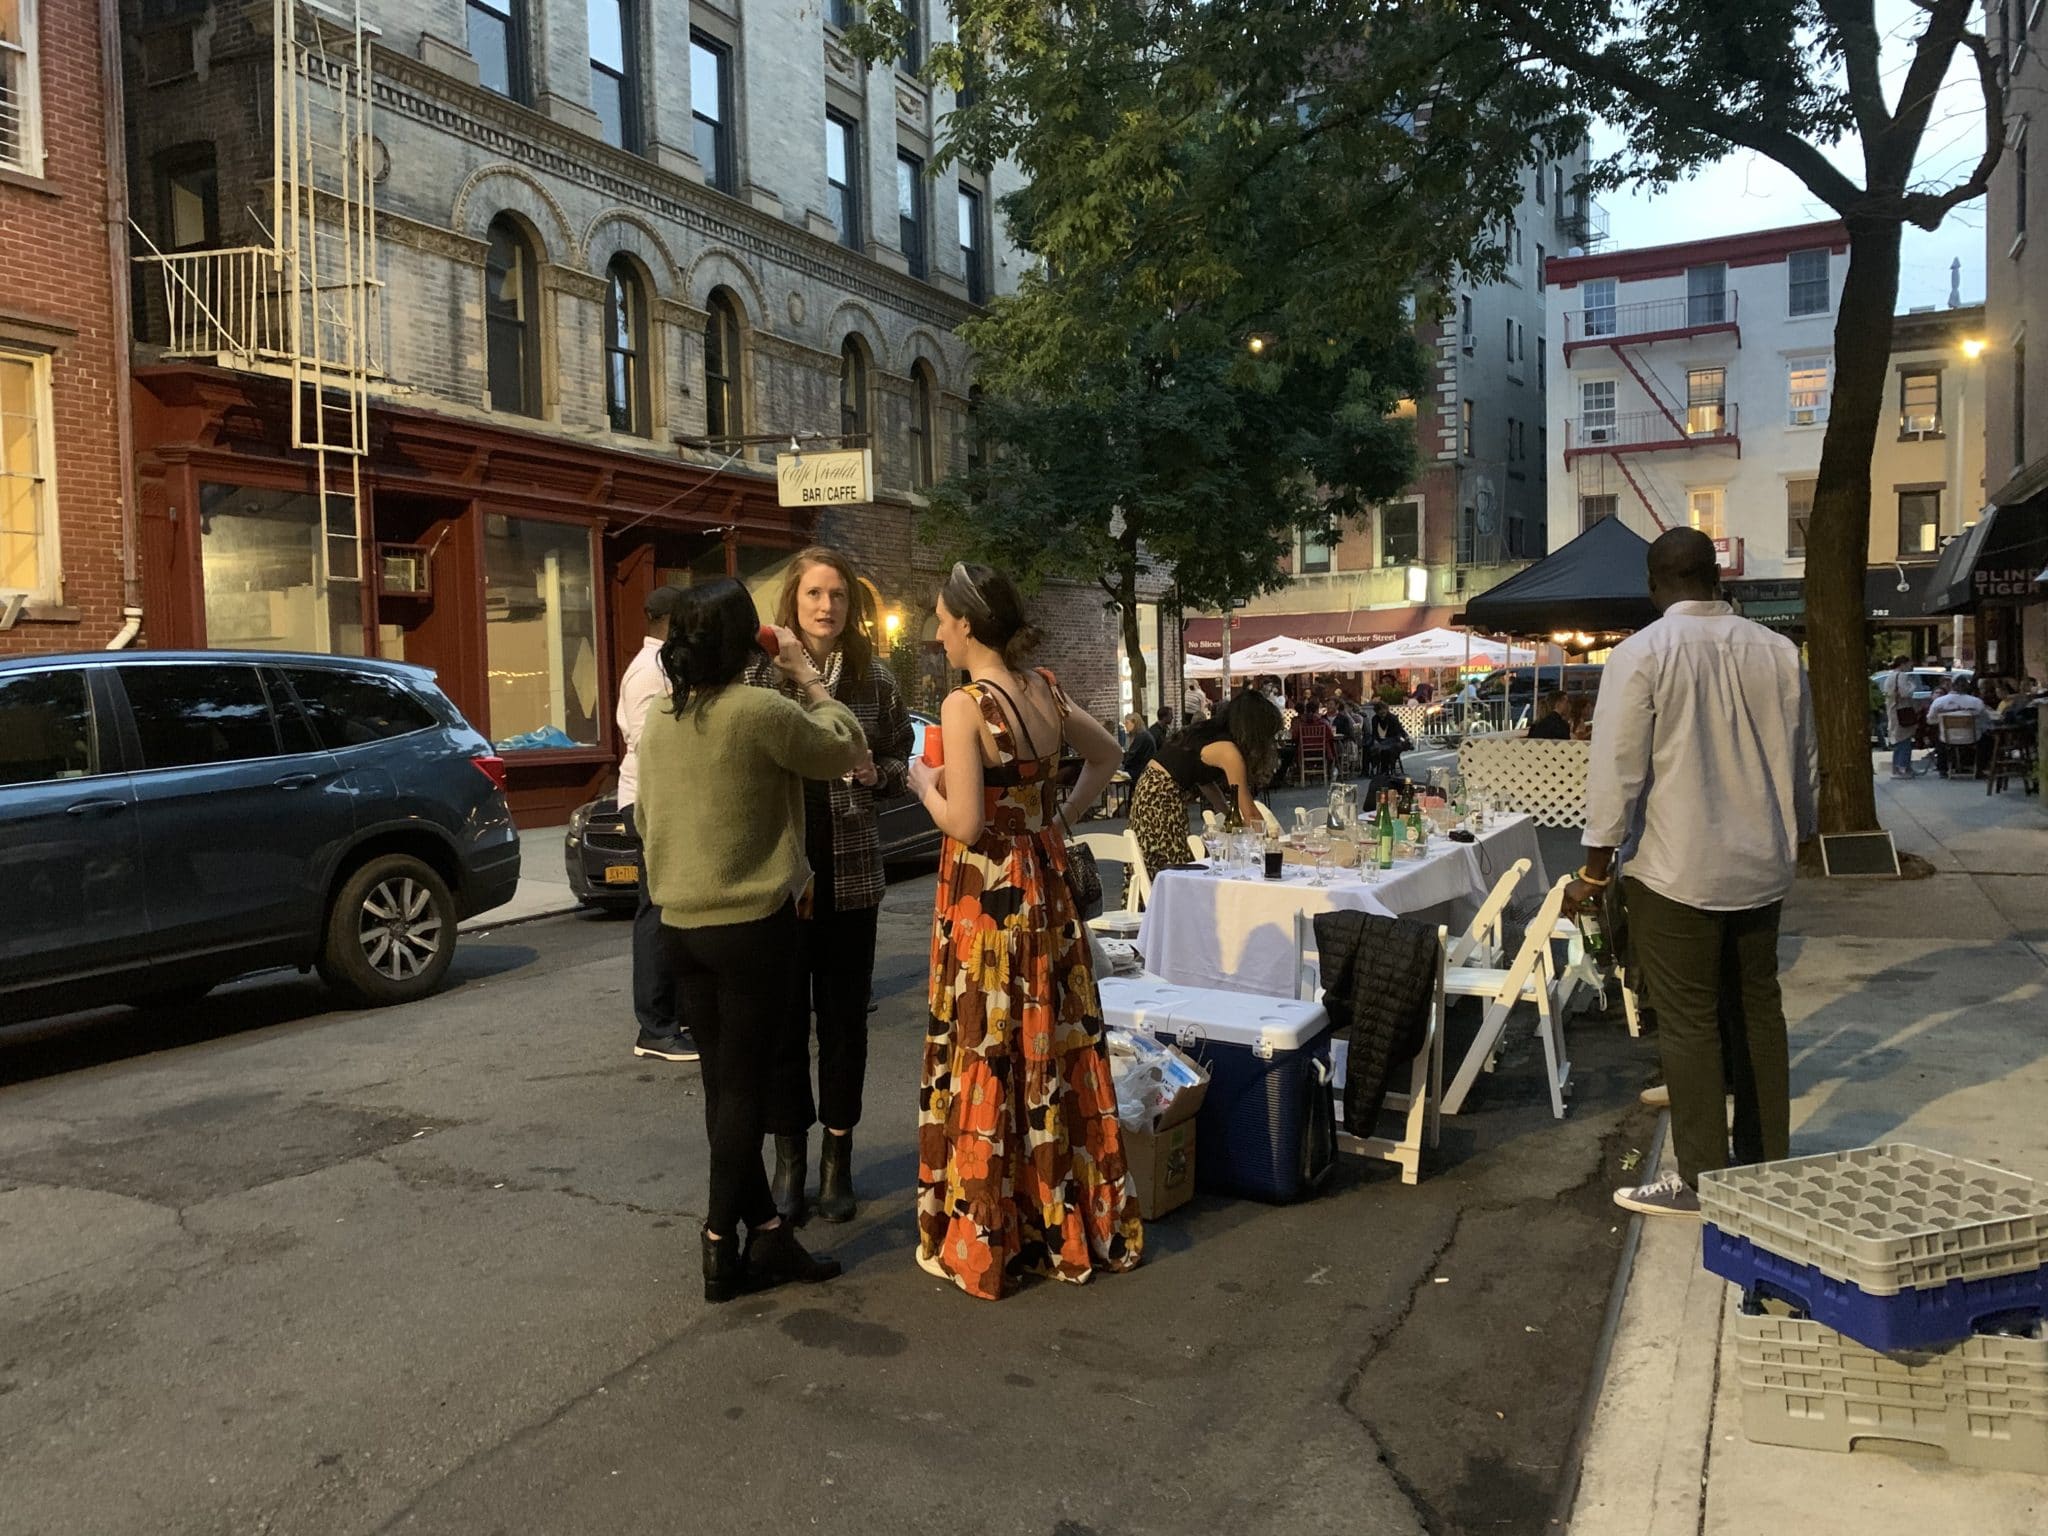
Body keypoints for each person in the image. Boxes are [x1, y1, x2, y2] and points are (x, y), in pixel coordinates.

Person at [906, 562, 1142, 1300]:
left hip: (988, 896)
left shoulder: (964, 704)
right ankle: (1057, 1212)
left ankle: (986, 1229)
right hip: (1045, 884)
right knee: (1050, 1039)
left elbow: (967, 823)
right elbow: (1108, 756)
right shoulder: (1043, 688)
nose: (937, 630)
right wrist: (1058, 817)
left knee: (987, 1043)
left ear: (968, 625)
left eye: (942, 618)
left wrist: (921, 784)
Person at [1567, 529, 1815, 1219]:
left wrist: (1595, 866)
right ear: (1717, 578)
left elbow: (1617, 770)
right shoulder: (1779, 651)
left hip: (1678, 866)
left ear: (1655, 584)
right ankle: (1766, 1167)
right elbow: (1805, 762)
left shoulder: (1642, 654)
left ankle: (1703, 1178)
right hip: (1762, 863)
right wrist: (1801, 832)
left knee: (1690, 1024)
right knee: (1758, 1013)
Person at [635, 578, 865, 1301]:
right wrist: (803, 673)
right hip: (750, 929)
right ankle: (716, 1242)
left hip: (681, 926)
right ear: (746, 641)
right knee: (746, 1088)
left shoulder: (661, 721)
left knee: (720, 1083)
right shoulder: (758, 709)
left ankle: (765, 1231)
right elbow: (846, 747)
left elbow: (644, 820)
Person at [745, 547, 912, 1226]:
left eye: (838, 594)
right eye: (814, 593)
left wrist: (883, 777)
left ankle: (837, 1159)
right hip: (784, 871)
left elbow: (903, 754)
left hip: (850, 866)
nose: (826, 606)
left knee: (845, 1023)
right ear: (794, 602)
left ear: (852, 605)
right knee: (785, 1022)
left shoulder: (876, 678)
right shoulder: (761, 675)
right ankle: (790, 1160)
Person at [615, 584, 697, 1064]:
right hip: (650, 800)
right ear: (670, 620)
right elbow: (650, 744)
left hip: (665, 799)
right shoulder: (649, 671)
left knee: (671, 908)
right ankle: (655, 1026)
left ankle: (675, 1015)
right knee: (657, 910)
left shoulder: (664, 665)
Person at [1125, 691, 1284, 886]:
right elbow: (1248, 808)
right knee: (1175, 864)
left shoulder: (1206, 734)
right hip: (1162, 797)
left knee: (1154, 857)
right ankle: (1170, 906)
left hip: (1148, 790)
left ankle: (1154, 903)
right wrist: (1271, 845)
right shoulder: (1229, 752)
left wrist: (1228, 814)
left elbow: (1205, 781)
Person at [1926, 677, 1993, 778]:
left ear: (1952, 686)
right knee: (1988, 739)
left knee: (1939, 737)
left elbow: (1930, 720)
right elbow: (1986, 721)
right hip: (1972, 737)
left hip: (1948, 738)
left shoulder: (1939, 702)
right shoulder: (1976, 702)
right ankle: (1980, 768)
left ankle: (1943, 769)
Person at [1879, 655, 1919, 778]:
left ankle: (1897, 767)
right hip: (1903, 710)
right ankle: (1903, 767)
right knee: (1905, 740)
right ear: (1903, 664)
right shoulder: (1902, 676)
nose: (1910, 667)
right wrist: (1913, 686)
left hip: (1893, 710)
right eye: (1909, 664)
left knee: (1898, 740)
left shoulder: (1889, 676)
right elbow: (1905, 692)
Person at [1290, 698, 1337, 773]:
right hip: (1322, 752)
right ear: (1317, 710)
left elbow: (1294, 737)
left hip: (1304, 752)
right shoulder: (1323, 723)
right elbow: (1331, 737)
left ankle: (1300, 772)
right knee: (1332, 746)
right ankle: (1329, 771)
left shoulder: (1301, 724)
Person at [1365, 699, 1412, 775]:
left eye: (1384, 713)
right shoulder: (1375, 719)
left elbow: (1398, 732)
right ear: (1377, 712)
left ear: (1386, 710)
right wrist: (1375, 740)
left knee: (1387, 750)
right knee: (1368, 748)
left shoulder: (1392, 718)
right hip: (1380, 740)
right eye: (1380, 713)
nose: (1382, 715)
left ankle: (1386, 770)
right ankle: (1369, 770)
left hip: (1393, 739)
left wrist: (1404, 737)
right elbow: (1374, 733)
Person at [1121, 711, 1158, 780]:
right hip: (1143, 769)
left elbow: (1131, 756)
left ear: (1134, 723)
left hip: (1141, 771)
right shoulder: (1143, 734)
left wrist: (1121, 758)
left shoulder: (1141, 736)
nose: (1125, 726)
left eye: (1127, 723)